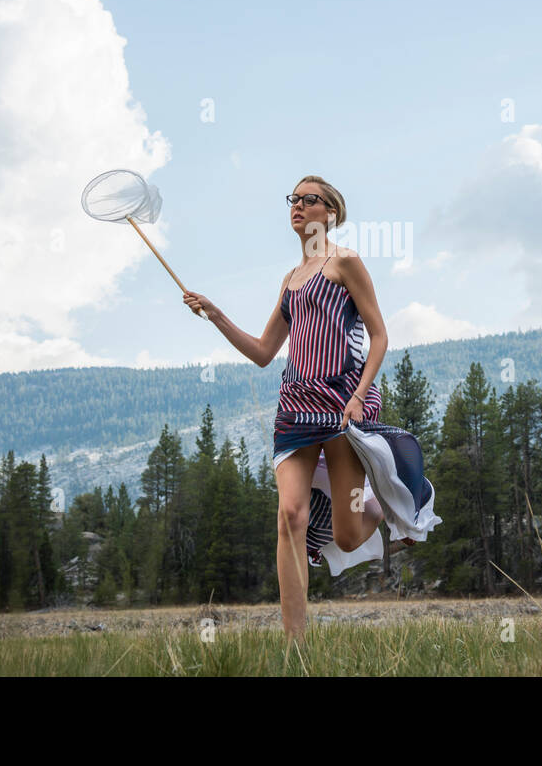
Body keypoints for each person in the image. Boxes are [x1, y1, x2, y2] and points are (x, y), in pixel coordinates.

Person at [181, 175, 440, 642]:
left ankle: (378, 510)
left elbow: (380, 335)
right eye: (293, 199)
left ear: (331, 213)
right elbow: (263, 351)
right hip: (295, 411)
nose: (297, 206)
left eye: (309, 200)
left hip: (343, 407)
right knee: (290, 517)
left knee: (345, 534)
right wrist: (216, 315)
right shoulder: (290, 280)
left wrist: (361, 395)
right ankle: (294, 645)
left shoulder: (345, 263)